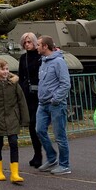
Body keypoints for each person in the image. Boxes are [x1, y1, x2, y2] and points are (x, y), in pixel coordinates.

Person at [35, 35, 72, 175]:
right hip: (43, 103)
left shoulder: (58, 62)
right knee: (39, 130)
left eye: (38, 44)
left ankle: (65, 165)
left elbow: (65, 83)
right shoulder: (43, 62)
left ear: (45, 46)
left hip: (56, 104)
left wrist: (56, 99)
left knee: (60, 136)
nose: (36, 47)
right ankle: (51, 159)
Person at [17, 32, 42, 167]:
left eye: (29, 42)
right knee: (31, 126)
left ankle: (42, 154)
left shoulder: (40, 57)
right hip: (28, 95)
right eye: (25, 42)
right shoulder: (23, 58)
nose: (27, 44)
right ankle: (37, 153)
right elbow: (21, 76)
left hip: (39, 95)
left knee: (37, 125)